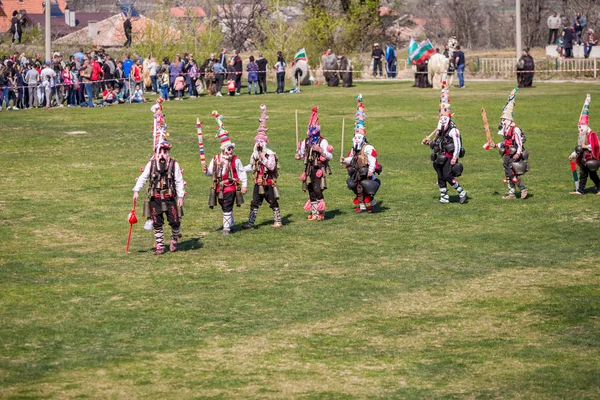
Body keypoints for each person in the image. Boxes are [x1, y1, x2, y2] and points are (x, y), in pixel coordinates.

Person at [132, 132, 185, 254]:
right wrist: (136, 190)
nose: (162, 154)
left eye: (165, 151)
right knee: (157, 222)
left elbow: (179, 180)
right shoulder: (151, 164)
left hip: (170, 197)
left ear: (168, 152)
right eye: (159, 151)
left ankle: (174, 240)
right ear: (156, 152)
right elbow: (143, 177)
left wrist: (181, 196)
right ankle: (160, 246)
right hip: (155, 198)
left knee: (175, 221)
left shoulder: (174, 164)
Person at [422, 77, 468, 204]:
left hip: (449, 156)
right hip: (440, 156)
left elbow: (458, 145)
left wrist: (454, 157)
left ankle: (462, 192)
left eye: (444, 118)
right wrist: (428, 143)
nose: (442, 120)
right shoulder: (439, 128)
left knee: (448, 175)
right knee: (440, 177)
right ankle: (444, 198)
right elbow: (436, 143)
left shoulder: (454, 130)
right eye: (441, 117)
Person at [203, 111, 248, 235]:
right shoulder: (216, 159)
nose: (231, 150)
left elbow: (242, 172)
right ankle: (231, 224)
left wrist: (244, 185)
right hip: (219, 188)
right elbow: (210, 173)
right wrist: (205, 170)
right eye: (229, 149)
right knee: (224, 206)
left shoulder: (236, 159)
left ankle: (226, 228)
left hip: (230, 187)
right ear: (223, 149)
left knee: (227, 206)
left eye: (232, 148)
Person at [243, 105, 282, 229]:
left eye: (261, 142)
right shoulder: (254, 155)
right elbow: (251, 166)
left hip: (269, 183)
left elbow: (271, 167)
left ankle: (278, 220)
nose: (259, 145)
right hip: (258, 182)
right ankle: (250, 222)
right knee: (254, 202)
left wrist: (263, 157)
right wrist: (240, 170)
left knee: (272, 201)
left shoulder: (270, 154)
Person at [341, 95, 381, 212]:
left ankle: (371, 202)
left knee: (365, 187)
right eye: (355, 137)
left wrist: (371, 170)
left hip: (365, 171)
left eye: (359, 137)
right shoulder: (354, 149)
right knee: (357, 188)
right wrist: (344, 160)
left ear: (362, 137)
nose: (357, 139)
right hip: (356, 172)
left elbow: (372, 159)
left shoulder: (368, 147)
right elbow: (351, 159)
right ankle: (362, 206)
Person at [295, 106, 333, 220]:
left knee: (317, 189)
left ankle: (321, 212)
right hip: (308, 169)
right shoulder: (305, 141)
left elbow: (330, 156)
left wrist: (320, 151)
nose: (311, 130)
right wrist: (299, 156)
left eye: (313, 128)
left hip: (319, 169)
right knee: (311, 189)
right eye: (310, 128)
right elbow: (302, 154)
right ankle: (315, 212)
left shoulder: (323, 141)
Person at [492, 88, 529, 200]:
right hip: (507, 153)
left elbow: (518, 142)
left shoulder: (515, 129)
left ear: (509, 119)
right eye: (502, 119)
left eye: (504, 119)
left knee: (512, 173)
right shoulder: (506, 129)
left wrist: (518, 153)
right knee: (508, 173)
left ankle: (522, 188)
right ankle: (511, 193)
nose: (502, 121)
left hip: (513, 154)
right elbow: (505, 142)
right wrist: (496, 145)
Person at [569, 94, 600, 195]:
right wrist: (573, 155)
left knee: (593, 175)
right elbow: (579, 147)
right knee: (582, 175)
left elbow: (595, 146)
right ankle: (580, 190)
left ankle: (599, 188)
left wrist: (586, 147)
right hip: (583, 159)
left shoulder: (591, 135)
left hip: (590, 159)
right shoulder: (582, 135)